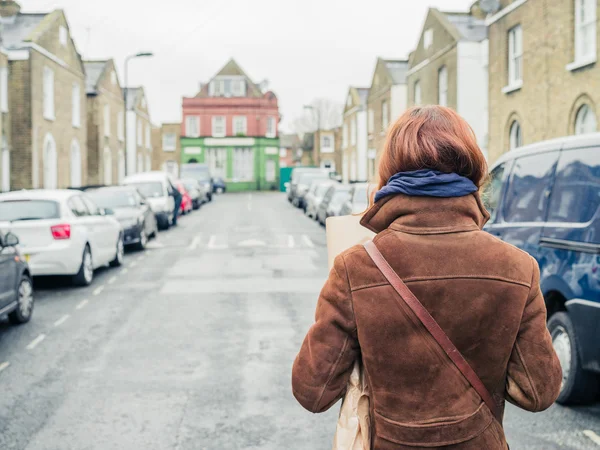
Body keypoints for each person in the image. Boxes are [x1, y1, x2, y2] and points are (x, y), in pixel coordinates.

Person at [291, 106, 562, 450]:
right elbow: (539, 391)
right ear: (472, 169)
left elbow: (311, 391)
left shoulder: (354, 267)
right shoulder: (518, 268)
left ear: (390, 172)